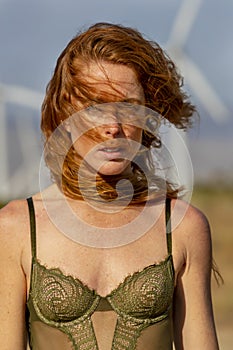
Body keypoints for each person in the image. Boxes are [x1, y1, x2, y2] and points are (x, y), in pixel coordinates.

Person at [0, 22, 220, 350]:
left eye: (129, 106)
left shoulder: (183, 227)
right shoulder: (16, 227)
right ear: (64, 112)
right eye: (94, 107)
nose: (113, 126)